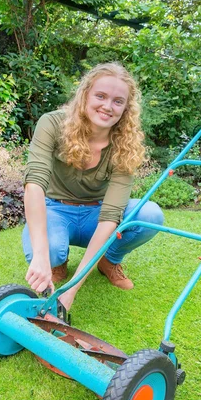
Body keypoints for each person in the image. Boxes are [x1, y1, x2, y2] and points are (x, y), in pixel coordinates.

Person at [22, 62, 164, 320]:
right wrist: (41, 256)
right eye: (100, 96)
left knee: (150, 214)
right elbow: (34, 185)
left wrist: (72, 289)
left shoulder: (126, 145)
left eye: (118, 101)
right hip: (55, 209)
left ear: (126, 108)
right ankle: (56, 262)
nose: (107, 106)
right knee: (50, 251)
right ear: (85, 95)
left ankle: (108, 260)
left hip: (96, 215)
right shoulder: (52, 124)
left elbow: (111, 215)